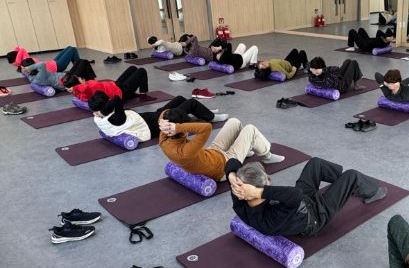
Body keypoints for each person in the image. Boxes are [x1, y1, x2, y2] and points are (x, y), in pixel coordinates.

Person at [226, 157, 388, 237]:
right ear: (257, 191)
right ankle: (373, 191)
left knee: (315, 163)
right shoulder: (269, 220)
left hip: (301, 203)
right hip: (315, 216)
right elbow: (295, 195)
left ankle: (344, 184)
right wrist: (258, 192)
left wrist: (232, 176)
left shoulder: (240, 199)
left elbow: (232, 162)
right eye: (267, 181)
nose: (270, 180)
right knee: (352, 176)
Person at [159, 113, 284, 182]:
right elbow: (206, 127)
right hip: (224, 166)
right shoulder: (185, 152)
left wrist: (168, 123)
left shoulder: (164, 139)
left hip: (211, 153)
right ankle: (267, 156)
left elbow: (165, 114)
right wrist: (179, 127)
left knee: (234, 121)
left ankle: (245, 149)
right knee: (250, 129)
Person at [88, 92, 228, 142]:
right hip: (156, 123)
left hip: (151, 116)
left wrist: (102, 110)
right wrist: (105, 107)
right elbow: (117, 99)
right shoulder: (115, 118)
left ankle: (203, 111)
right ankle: (211, 117)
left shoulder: (100, 118)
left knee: (179, 99)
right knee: (191, 103)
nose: (94, 114)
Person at [63, 65, 148, 103]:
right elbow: (84, 90)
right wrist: (79, 85)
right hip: (121, 92)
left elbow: (80, 90)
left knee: (133, 68)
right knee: (142, 70)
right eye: (78, 78)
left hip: (115, 85)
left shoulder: (81, 89)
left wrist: (75, 87)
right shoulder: (87, 88)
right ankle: (143, 95)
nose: (80, 77)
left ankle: (133, 92)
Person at [20, 59, 96, 91]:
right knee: (84, 62)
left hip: (66, 76)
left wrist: (27, 69)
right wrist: (29, 68)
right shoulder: (38, 78)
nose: (24, 69)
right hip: (66, 82)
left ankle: (91, 81)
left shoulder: (31, 75)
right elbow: (42, 64)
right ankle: (92, 82)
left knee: (79, 61)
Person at [6, 45, 82, 73]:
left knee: (69, 47)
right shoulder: (25, 61)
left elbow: (18, 48)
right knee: (72, 49)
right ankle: (80, 70)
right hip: (57, 67)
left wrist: (16, 53)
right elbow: (21, 49)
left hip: (53, 63)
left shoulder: (23, 61)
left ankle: (77, 68)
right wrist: (17, 57)